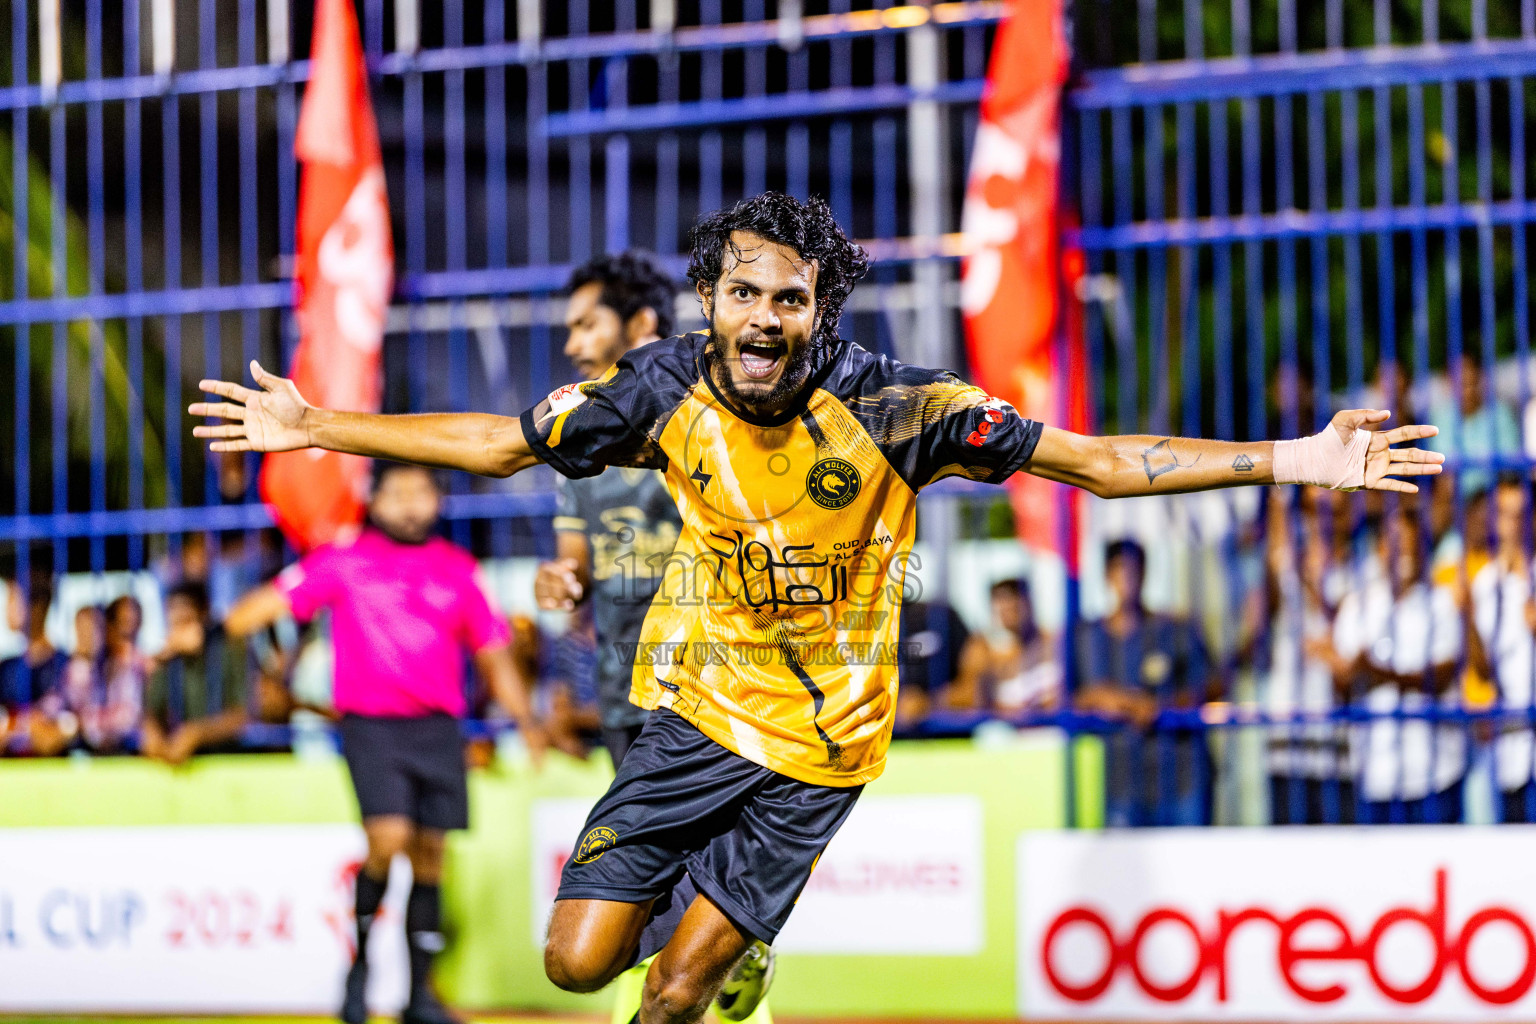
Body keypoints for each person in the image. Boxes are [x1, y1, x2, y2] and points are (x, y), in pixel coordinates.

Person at [191, 191, 1443, 1024]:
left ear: (820, 313)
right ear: (710, 303)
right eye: (744, 295)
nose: (764, 320)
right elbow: (500, 445)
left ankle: (728, 965)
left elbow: (1104, 461)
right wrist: (315, 427)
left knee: (677, 1001)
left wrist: (1291, 458)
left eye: (791, 300)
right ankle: (720, 938)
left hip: (822, 753)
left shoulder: (907, 408)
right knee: (576, 962)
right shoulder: (661, 389)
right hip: (690, 723)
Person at [224, 461, 546, 1024]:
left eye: (420, 491)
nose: (409, 503)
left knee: (431, 857)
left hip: (439, 728)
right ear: (374, 503)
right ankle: (360, 971)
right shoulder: (344, 561)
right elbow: (262, 608)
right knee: (387, 838)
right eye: (396, 492)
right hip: (371, 726)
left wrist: (526, 719)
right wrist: (215, 631)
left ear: (436, 501)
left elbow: (493, 653)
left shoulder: (459, 569)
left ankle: (420, 996)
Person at [534, 251, 683, 771]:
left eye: (587, 325)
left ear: (641, 323)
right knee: (643, 852)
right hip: (624, 697)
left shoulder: (712, 420)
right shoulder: (578, 442)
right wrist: (562, 579)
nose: (572, 345)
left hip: (714, 697)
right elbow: (577, 563)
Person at [1330, 508, 1466, 824]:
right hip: (1375, 774)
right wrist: (1348, 673)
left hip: (1435, 775)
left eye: (1410, 544)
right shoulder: (1356, 606)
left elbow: (1440, 677)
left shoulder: (1442, 603)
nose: (1403, 553)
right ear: (1379, 549)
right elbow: (1342, 685)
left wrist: (1373, 671)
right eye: (1395, 544)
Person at [1074, 539, 1215, 826]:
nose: (1127, 577)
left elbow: (1213, 684)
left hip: (1180, 777)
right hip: (1118, 783)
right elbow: (1064, 698)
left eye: (1134, 569)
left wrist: (1159, 706)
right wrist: (1101, 698)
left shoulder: (1173, 629)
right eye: (1118, 569)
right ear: (1106, 575)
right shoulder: (1085, 637)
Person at [1458, 475, 1536, 821]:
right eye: (1506, 514)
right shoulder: (1486, 583)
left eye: (1522, 513)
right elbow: (1483, 670)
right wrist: (1467, 619)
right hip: (1511, 749)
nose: (1515, 523)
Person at [141, 581, 250, 765]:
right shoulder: (169, 658)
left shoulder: (230, 649)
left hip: (232, 760)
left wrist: (196, 734)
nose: (179, 632)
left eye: (186, 621)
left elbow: (241, 717)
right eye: (174, 623)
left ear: (204, 617)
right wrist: (152, 734)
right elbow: (151, 713)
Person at [0, 579, 70, 754]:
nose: (6, 609)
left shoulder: (66, 666)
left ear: (38, 607)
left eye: (13, 600)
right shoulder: (7, 667)